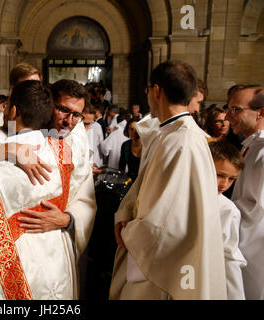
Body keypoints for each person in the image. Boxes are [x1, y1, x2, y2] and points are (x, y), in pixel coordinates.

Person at [0, 79, 96, 299]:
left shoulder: (75, 140)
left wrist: (68, 219)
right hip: (21, 258)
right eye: (63, 110)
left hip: (55, 245)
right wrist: (4, 148)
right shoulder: (7, 129)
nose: (69, 122)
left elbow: (85, 196)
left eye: (77, 115)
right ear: (49, 104)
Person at [110, 61, 226, 300]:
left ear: (156, 91)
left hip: (165, 265)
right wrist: (125, 215)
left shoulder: (181, 141)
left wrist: (128, 231)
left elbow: (166, 220)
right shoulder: (171, 133)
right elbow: (144, 188)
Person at [226, 85, 264, 300]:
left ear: (261, 112)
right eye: (229, 108)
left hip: (256, 253)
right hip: (241, 246)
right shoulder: (251, 145)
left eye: (236, 109)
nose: (228, 115)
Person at [209, 140, 247, 300]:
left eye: (231, 179)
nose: (225, 184)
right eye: (220, 175)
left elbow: (230, 256)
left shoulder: (228, 210)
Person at [0, 62, 41, 130]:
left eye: (38, 86)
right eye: (28, 87)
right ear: (13, 89)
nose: (34, 91)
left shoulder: (45, 120)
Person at [119, 117, 142, 182]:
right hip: (130, 181)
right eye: (131, 129)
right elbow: (121, 168)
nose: (134, 132)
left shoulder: (147, 145)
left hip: (144, 182)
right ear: (127, 130)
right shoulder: (125, 145)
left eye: (137, 129)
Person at [82, 104, 104, 169]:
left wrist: (98, 162)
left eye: (90, 123)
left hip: (95, 163)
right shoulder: (73, 129)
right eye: (85, 124)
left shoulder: (97, 127)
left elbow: (100, 145)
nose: (88, 127)